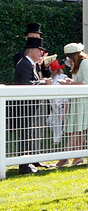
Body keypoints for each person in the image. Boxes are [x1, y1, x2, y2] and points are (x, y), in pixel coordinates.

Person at [12, 36, 48, 174]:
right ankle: (25, 165)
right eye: (39, 51)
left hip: (29, 106)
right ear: (31, 50)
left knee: (29, 133)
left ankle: (29, 162)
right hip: (24, 106)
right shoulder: (24, 64)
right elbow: (25, 84)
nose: (41, 54)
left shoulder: (28, 64)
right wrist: (44, 83)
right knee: (26, 133)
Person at [57, 43, 88, 167]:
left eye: (70, 56)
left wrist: (69, 84)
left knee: (77, 128)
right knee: (73, 128)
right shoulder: (78, 64)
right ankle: (71, 156)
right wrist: (70, 82)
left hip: (82, 100)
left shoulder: (84, 63)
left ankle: (74, 156)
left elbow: (86, 83)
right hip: (76, 99)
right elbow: (79, 81)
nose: (69, 59)